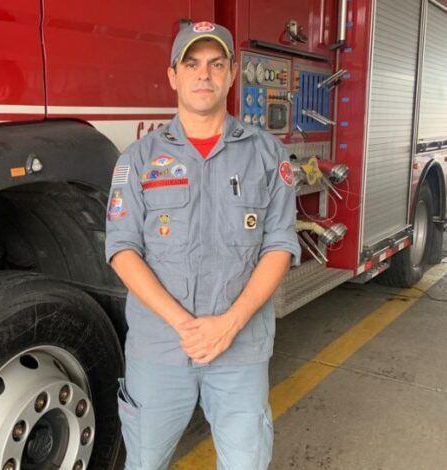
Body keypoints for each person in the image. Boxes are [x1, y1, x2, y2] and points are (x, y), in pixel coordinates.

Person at [105, 20, 301, 470]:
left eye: (216, 64)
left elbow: (279, 245)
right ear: (173, 75)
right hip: (160, 349)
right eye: (191, 63)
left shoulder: (266, 154)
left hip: (240, 347)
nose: (203, 74)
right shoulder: (139, 159)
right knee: (145, 463)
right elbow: (122, 249)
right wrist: (185, 326)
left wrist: (228, 325)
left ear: (232, 73)